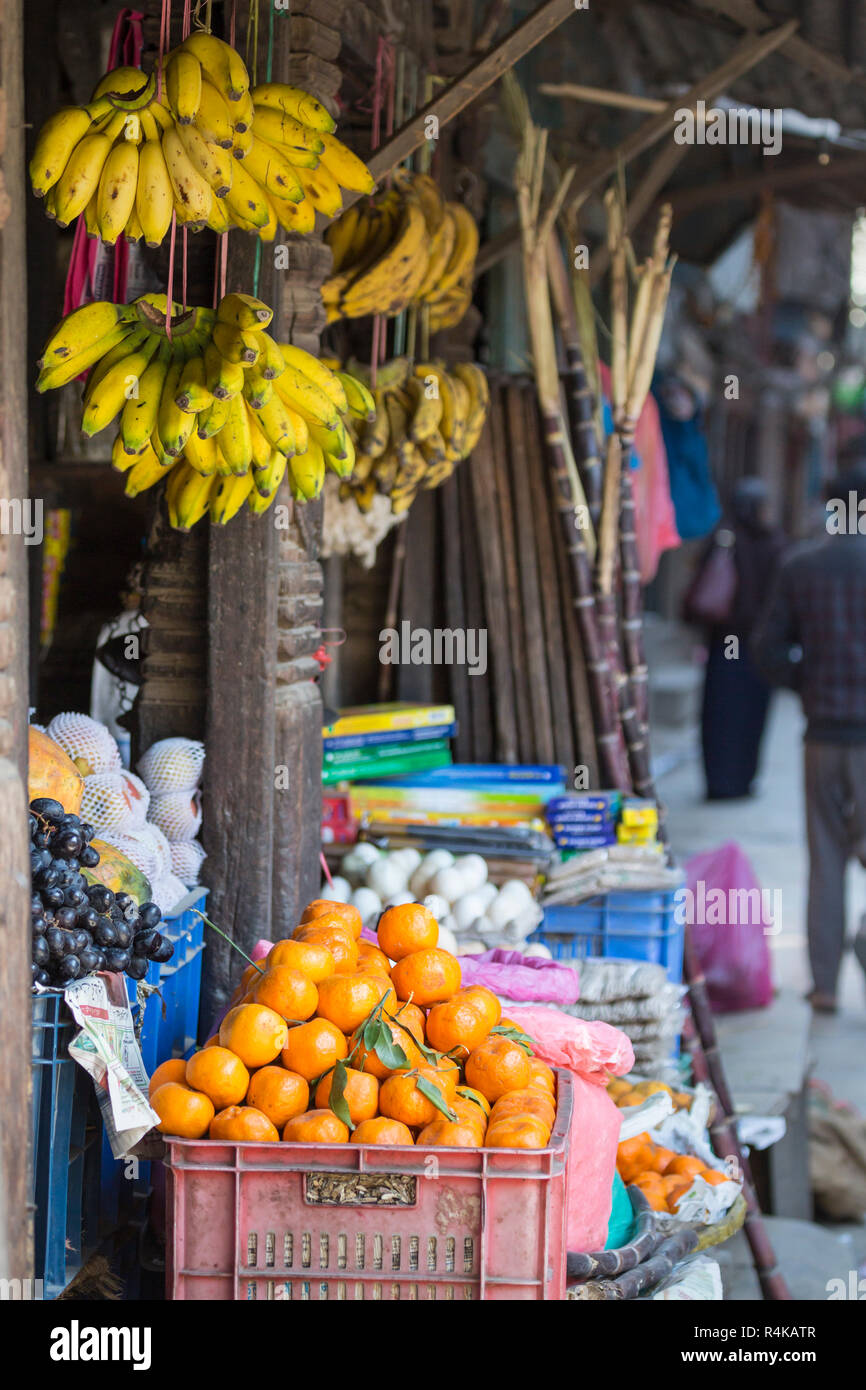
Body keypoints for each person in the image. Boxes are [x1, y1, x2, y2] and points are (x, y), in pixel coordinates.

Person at [751, 454, 866, 1012]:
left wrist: (809, 685)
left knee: (826, 861)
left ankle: (824, 985)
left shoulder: (803, 566)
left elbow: (766, 650)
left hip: (822, 735)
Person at [690, 477, 785, 800]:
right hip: (756, 648)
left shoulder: (725, 538)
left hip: (726, 646)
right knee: (748, 716)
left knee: (722, 715)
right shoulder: (776, 545)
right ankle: (741, 781)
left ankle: (722, 782)